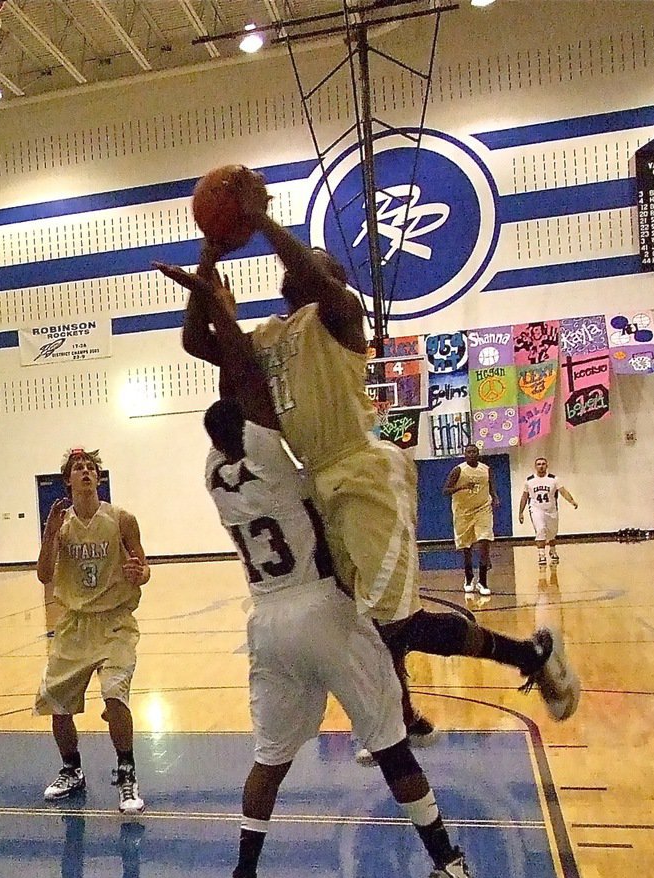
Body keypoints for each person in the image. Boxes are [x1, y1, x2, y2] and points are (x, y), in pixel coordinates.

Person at [154, 180, 579, 730]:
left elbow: (312, 277)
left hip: (364, 473)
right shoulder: (269, 337)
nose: (300, 270)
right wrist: (207, 264)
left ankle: (525, 657)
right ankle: (413, 703)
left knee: (390, 620)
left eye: (314, 265)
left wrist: (259, 221)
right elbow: (197, 342)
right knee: (361, 614)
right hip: (318, 482)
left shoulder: (340, 318)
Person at [202, 400, 487, 878]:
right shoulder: (265, 452)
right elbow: (261, 406)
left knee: (269, 760)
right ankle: (448, 863)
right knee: (391, 745)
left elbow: (230, 422)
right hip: (322, 608)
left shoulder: (214, 478)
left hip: (265, 622)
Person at [37, 449, 150, 814]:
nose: (85, 471)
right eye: (77, 468)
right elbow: (44, 574)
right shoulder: (61, 525)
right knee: (58, 704)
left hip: (115, 620)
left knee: (115, 695)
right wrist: (50, 534)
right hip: (74, 624)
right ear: (67, 480)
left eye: (90, 468)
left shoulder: (121, 518)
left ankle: (127, 773)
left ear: (98, 479)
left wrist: (139, 573)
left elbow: (144, 565)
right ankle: (72, 770)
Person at [444, 444, 499, 595]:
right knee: (466, 547)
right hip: (463, 512)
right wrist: (461, 487)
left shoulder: (486, 469)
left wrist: (494, 497)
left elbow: (491, 485)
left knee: (484, 540)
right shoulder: (458, 470)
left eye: (474, 451)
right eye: (469, 452)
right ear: (465, 454)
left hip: (483, 508)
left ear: (478, 453)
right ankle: (469, 577)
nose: (472, 454)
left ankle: (483, 581)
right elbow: (445, 490)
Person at [518, 457, 578, 566]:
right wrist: (520, 512)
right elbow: (524, 497)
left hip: (551, 509)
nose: (541, 466)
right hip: (536, 509)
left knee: (552, 532)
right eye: (539, 464)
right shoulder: (529, 481)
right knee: (540, 529)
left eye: (543, 464)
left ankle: (552, 550)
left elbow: (563, 491)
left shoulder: (554, 479)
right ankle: (541, 554)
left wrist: (572, 501)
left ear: (547, 466)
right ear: (535, 466)